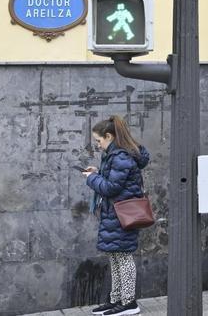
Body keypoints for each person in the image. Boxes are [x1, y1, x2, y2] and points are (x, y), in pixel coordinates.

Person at [83, 115, 151, 316]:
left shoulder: (120, 156)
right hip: (115, 214)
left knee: (123, 257)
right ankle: (116, 300)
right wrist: (97, 172)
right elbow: (113, 179)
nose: (97, 144)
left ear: (109, 136)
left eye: (98, 140)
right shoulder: (115, 155)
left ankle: (129, 302)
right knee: (115, 257)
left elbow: (111, 187)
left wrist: (92, 178)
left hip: (123, 215)